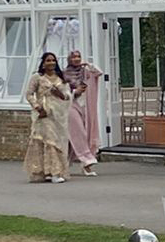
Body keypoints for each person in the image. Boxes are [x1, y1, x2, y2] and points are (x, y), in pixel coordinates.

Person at [23, 52, 73, 184]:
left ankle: (51, 171)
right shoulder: (37, 77)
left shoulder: (60, 78)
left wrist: (60, 94)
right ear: (43, 63)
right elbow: (29, 94)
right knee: (48, 141)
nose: (51, 63)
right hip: (43, 114)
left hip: (57, 114)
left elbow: (67, 95)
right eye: (48, 61)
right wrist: (38, 107)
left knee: (56, 141)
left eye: (53, 60)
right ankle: (53, 173)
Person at [62, 50, 104, 177]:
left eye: (78, 56)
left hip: (86, 106)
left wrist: (88, 64)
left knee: (83, 135)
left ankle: (65, 163)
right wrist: (75, 92)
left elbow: (99, 72)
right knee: (78, 132)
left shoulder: (86, 72)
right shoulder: (64, 74)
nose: (76, 59)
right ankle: (87, 162)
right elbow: (62, 93)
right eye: (73, 57)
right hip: (71, 106)